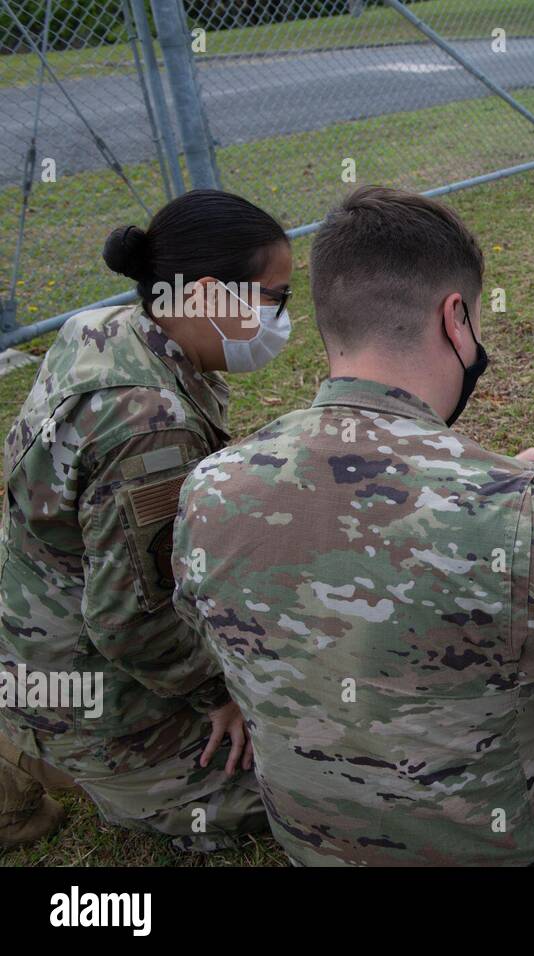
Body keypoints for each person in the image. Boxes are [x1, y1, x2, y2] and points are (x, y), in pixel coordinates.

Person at [171, 185, 534, 866]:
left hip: (314, 844)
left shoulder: (211, 486)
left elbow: (224, 623)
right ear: (455, 319)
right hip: (504, 847)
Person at [0, 189, 290, 851]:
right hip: (86, 679)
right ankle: (45, 753)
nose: (284, 319)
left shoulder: (105, 331)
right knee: (285, 785)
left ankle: (29, 725)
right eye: (278, 297)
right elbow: (127, 620)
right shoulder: (147, 423)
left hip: (33, 629)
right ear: (213, 296)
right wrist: (215, 692)